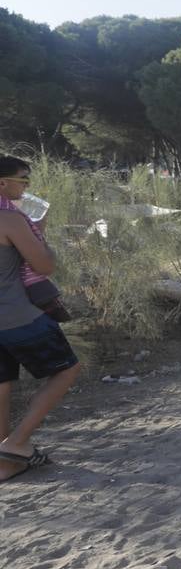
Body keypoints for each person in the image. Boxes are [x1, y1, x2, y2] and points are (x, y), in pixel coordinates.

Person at [0, 157, 81, 482]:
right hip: (16, 315)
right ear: (2, 183)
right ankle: (17, 443)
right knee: (66, 370)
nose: (26, 187)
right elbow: (45, 266)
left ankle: (5, 464)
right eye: (23, 180)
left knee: (1, 386)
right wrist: (40, 236)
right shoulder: (10, 219)